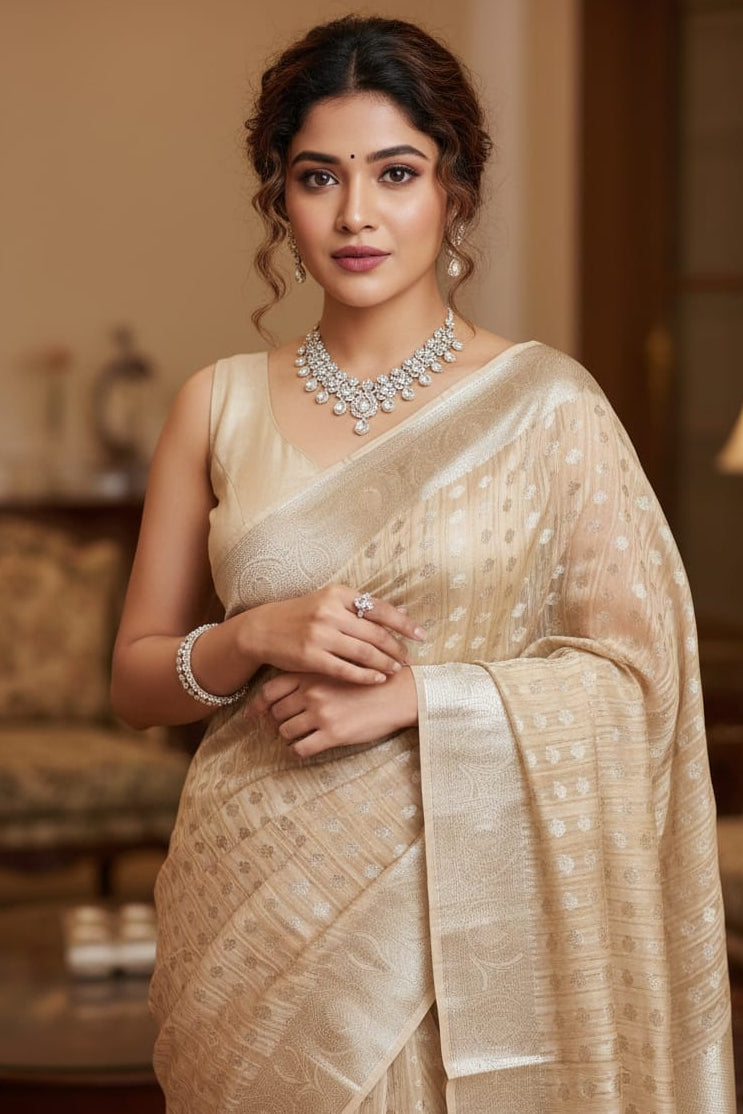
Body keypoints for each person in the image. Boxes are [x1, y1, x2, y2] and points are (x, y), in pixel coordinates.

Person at [111, 15, 735, 1113]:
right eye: (319, 177)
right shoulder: (216, 402)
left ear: (454, 190)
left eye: (395, 173)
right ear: (280, 198)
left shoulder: (547, 406)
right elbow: (135, 681)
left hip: (463, 910)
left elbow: (639, 675)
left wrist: (421, 699)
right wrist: (247, 635)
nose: (355, 213)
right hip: (253, 898)